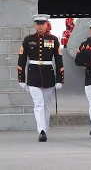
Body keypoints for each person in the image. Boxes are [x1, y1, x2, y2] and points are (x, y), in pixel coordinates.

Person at [17, 14, 64, 142]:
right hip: (33, 75)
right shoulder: (28, 40)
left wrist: (60, 79)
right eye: (38, 24)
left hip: (48, 74)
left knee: (46, 105)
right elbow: (21, 59)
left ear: (46, 24)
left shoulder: (53, 39)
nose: (40, 26)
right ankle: (41, 130)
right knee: (39, 103)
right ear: (34, 25)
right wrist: (21, 78)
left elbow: (59, 60)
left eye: (42, 23)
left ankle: (45, 128)